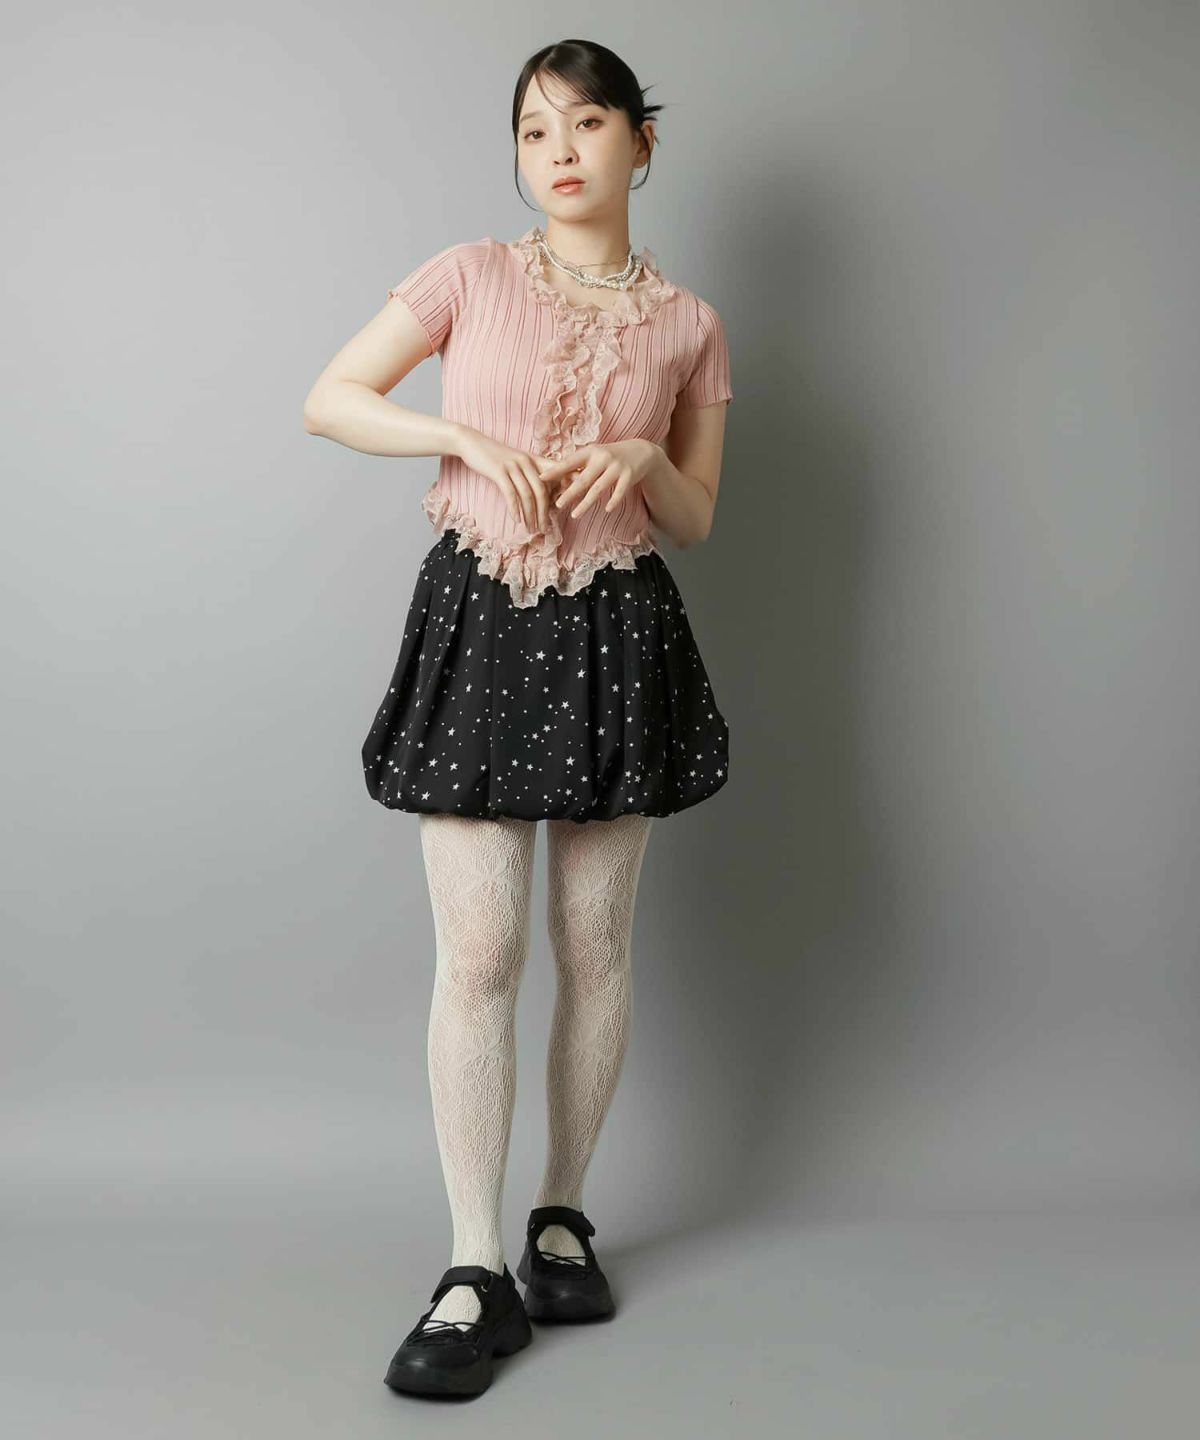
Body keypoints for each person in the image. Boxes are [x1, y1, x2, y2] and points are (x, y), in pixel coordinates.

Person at [303, 37, 733, 1399]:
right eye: (535, 129)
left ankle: (561, 1218)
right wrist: (458, 438)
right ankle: (473, 1266)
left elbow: (696, 518)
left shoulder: (691, 324)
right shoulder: (469, 275)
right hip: (483, 619)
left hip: (618, 629)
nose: (559, 151)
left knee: (594, 947)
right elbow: (331, 400)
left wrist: (647, 455)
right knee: (480, 951)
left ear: (641, 143)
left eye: (587, 123)